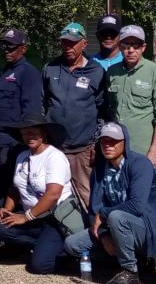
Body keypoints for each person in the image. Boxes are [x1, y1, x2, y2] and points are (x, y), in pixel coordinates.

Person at [65, 123, 156, 284]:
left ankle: (131, 273)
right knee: (72, 244)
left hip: (144, 228)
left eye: (113, 141)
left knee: (117, 216)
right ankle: (124, 263)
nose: (108, 146)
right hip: (112, 227)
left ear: (124, 142)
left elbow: (136, 206)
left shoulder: (140, 164)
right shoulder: (100, 168)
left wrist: (104, 214)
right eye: (104, 142)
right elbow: (94, 208)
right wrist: (103, 235)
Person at [0, 112, 83, 275]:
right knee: (2, 227)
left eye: (34, 131)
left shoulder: (54, 157)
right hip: (33, 219)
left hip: (54, 218)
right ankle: (39, 247)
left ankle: (64, 253)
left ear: (44, 133)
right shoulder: (22, 156)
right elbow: (15, 187)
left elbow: (53, 194)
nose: (29, 136)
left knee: (39, 266)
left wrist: (26, 216)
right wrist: (8, 208)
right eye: (25, 132)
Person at [42, 22, 108, 209]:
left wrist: (97, 143)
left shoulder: (96, 72)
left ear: (84, 44)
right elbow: (42, 103)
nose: (68, 47)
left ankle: (93, 236)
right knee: (53, 197)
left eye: (73, 43)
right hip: (54, 149)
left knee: (87, 198)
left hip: (83, 149)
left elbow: (103, 111)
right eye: (64, 43)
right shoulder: (50, 68)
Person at [0, 28, 43, 202]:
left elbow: (31, 112)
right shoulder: (5, 72)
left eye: (11, 47)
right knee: (1, 187)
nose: (6, 50)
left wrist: (25, 143)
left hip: (14, 145)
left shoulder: (28, 73)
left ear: (23, 48)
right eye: (4, 46)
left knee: (9, 190)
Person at [107, 24, 156, 167]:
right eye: (126, 45)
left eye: (135, 46)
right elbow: (110, 109)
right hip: (116, 149)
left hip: (143, 151)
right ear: (119, 46)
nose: (130, 50)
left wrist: (154, 151)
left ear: (143, 47)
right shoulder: (112, 72)